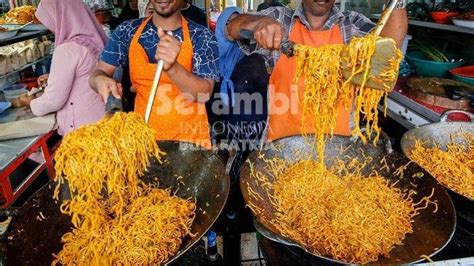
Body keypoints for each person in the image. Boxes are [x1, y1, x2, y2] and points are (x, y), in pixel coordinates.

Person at [224, 0, 408, 143]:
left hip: (339, 146)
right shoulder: (279, 18)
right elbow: (231, 29)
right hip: (281, 145)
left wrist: (397, 3)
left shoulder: (352, 24)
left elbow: (390, 47)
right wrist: (258, 23)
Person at [89, 0, 219, 149]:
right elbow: (97, 74)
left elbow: (204, 93)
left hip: (189, 146)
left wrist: (172, 68)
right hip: (143, 140)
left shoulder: (203, 37)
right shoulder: (127, 31)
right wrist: (100, 80)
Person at [18, 0, 107, 136]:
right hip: (102, 119)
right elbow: (85, 72)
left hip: (82, 130)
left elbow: (53, 100)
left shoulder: (68, 49)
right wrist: (53, 76)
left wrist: (31, 103)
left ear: (59, 17)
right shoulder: (94, 39)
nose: (49, 28)